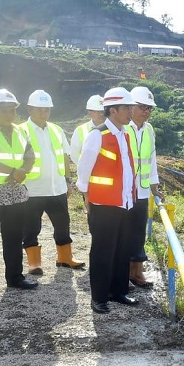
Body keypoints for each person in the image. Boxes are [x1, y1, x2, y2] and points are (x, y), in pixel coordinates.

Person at [76, 87, 138, 314]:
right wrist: (87, 200)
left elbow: (128, 171)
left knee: (122, 250)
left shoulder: (124, 134)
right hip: (103, 206)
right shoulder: (97, 135)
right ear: (113, 110)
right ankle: (99, 297)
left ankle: (118, 291)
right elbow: (84, 171)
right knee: (103, 251)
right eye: (127, 108)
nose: (131, 111)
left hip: (124, 204)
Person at [19, 90, 84, 275]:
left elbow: (64, 156)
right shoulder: (22, 130)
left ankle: (64, 258)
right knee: (31, 227)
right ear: (30, 109)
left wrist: (68, 181)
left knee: (63, 224)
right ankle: (34, 263)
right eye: (39, 109)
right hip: (32, 190)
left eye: (47, 109)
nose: (43, 113)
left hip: (57, 189)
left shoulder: (56, 129)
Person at [0, 89, 39, 290]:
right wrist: (15, 171)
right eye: (5, 110)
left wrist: (23, 170)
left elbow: (30, 155)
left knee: (13, 237)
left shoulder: (21, 131)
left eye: (12, 110)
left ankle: (15, 277)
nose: (10, 114)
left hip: (15, 194)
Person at [126, 86, 164, 288]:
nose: (147, 111)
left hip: (141, 192)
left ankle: (136, 273)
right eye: (143, 107)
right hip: (123, 192)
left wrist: (154, 187)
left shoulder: (149, 130)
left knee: (138, 233)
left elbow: (152, 160)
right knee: (123, 233)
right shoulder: (123, 128)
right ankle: (122, 275)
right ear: (131, 107)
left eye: (150, 108)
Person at [69, 94, 106, 167]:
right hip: (88, 175)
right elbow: (74, 155)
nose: (101, 114)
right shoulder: (80, 130)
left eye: (103, 111)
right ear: (89, 112)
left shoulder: (113, 129)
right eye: (97, 111)